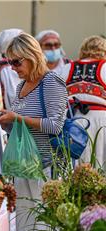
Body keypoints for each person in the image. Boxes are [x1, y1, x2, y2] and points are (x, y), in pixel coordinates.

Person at [0, 33, 68, 231]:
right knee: (25, 225)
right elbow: (20, 128)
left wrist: (17, 117)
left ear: (32, 56)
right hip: (24, 165)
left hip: (46, 166)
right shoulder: (21, 86)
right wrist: (6, 120)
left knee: (44, 226)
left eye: (16, 62)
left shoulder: (51, 82)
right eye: (9, 62)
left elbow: (55, 126)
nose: (13, 68)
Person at [60, 35, 106, 168]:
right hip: (101, 121)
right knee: (101, 165)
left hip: (73, 121)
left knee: (76, 167)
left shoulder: (66, 68)